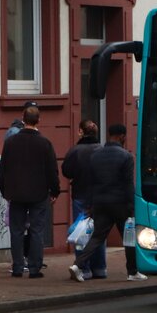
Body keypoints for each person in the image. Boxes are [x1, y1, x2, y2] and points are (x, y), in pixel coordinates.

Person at [69, 123, 147, 283]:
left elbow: (91, 182)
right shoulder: (126, 156)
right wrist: (132, 207)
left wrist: (90, 205)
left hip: (100, 202)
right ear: (122, 137)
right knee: (128, 238)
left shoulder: (96, 155)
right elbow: (127, 184)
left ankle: (78, 264)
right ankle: (132, 272)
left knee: (97, 237)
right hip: (119, 204)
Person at [0, 105, 59, 278]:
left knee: (16, 231)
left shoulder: (11, 142)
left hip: (15, 193)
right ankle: (34, 268)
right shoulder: (45, 143)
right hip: (38, 193)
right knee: (37, 230)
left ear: (23, 120)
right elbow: (52, 170)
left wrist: (5, 191)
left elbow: (3, 169)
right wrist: (55, 190)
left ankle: (18, 267)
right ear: (38, 121)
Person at [62, 119, 105, 279]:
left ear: (81, 131)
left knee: (81, 233)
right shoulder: (102, 150)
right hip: (99, 197)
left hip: (80, 195)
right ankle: (100, 267)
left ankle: (84, 268)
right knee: (99, 232)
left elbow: (66, 171)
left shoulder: (75, 151)